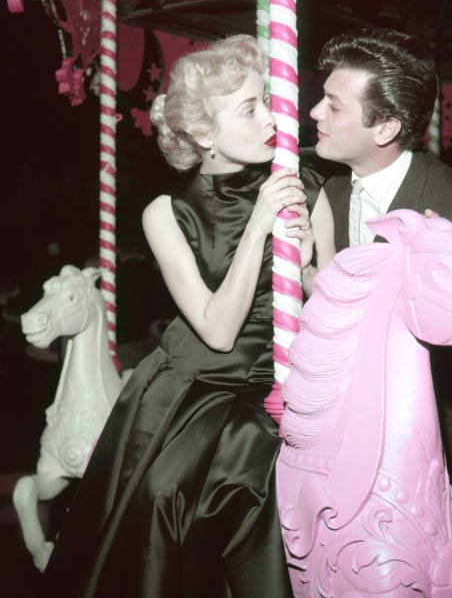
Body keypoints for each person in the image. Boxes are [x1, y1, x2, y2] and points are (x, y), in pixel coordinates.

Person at [41, 35, 335, 597]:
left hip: (283, 383)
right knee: (167, 499)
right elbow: (218, 330)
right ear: (204, 133)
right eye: (249, 108)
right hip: (196, 388)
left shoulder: (306, 188)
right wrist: (260, 227)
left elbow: (336, 306)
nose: (270, 117)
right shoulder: (166, 215)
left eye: (267, 100)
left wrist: (306, 272)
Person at [309, 26, 452, 592]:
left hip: (442, 432)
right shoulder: (330, 194)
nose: (315, 111)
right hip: (352, 433)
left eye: (334, 105)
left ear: (384, 127)